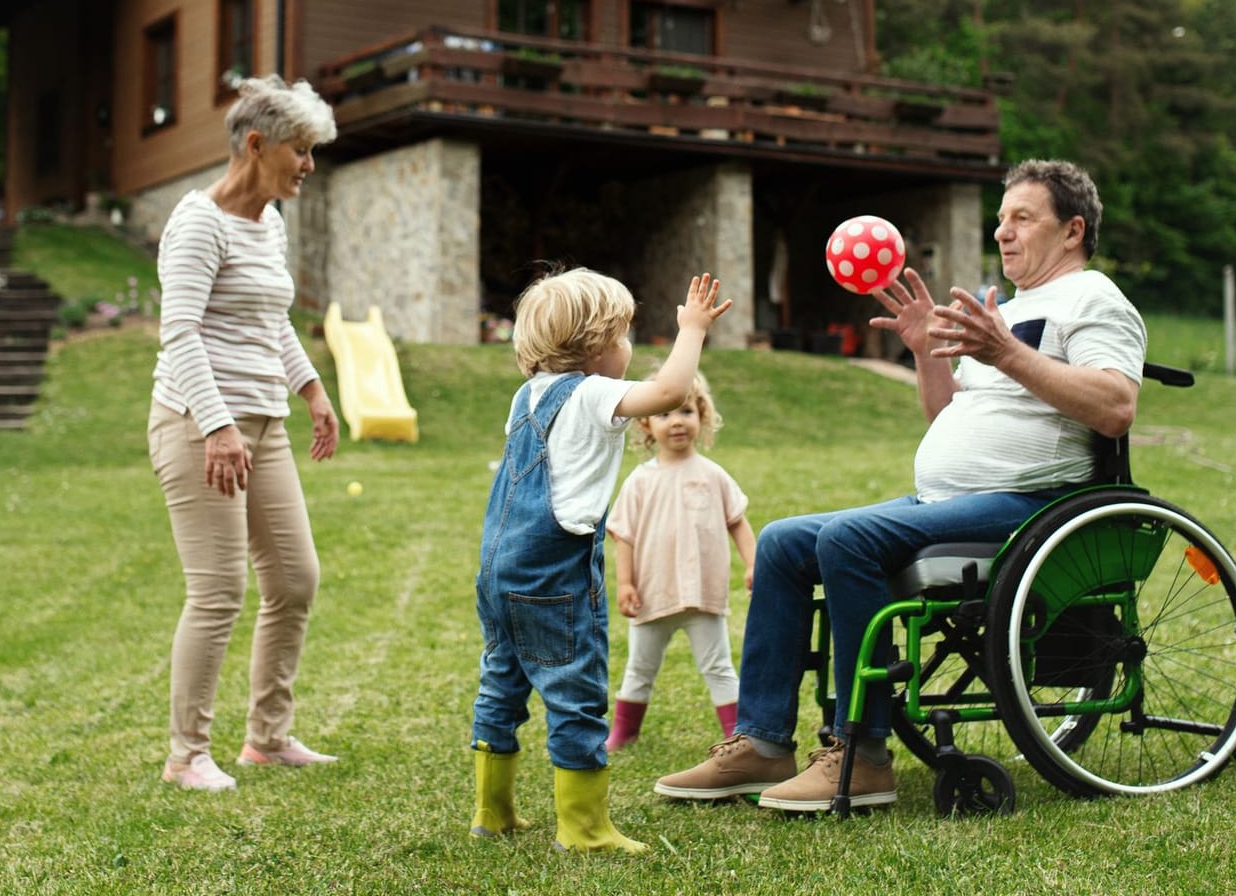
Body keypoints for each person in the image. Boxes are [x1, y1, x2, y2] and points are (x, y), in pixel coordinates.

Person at [653, 159, 1146, 814]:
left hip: (1032, 507)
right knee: (781, 542)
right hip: (949, 502)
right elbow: (949, 417)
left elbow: (1115, 405)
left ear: (1074, 230)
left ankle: (862, 754)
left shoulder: (1096, 300)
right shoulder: (1011, 309)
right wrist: (923, 350)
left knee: (852, 540)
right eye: (1000, 220)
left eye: (1022, 218)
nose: (1002, 233)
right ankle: (763, 741)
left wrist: (1006, 354)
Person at [470, 268, 733, 853]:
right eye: (624, 336)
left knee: (502, 683)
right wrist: (691, 329)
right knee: (576, 691)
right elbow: (667, 393)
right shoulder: (591, 393)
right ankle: (584, 828)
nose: (629, 348)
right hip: (554, 572)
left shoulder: (527, 395)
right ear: (595, 346)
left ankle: (493, 811)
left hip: (499, 570)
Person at [150, 75, 343, 792]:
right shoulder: (197, 222)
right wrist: (217, 426)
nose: (308, 166)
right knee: (219, 589)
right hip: (198, 427)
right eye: (301, 150)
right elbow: (180, 333)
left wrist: (315, 390)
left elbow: (269, 321)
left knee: (294, 579)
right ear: (256, 145)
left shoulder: (270, 221)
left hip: (263, 424)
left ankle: (267, 737)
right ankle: (186, 755)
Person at [603, 368, 757, 752]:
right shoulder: (639, 480)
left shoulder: (713, 475)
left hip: (703, 595)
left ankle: (737, 736)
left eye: (686, 411)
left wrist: (755, 564)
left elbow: (737, 522)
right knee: (639, 668)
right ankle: (624, 731)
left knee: (719, 667)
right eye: (665, 413)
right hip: (653, 594)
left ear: (701, 416)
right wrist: (625, 584)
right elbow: (624, 535)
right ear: (645, 425)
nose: (676, 422)